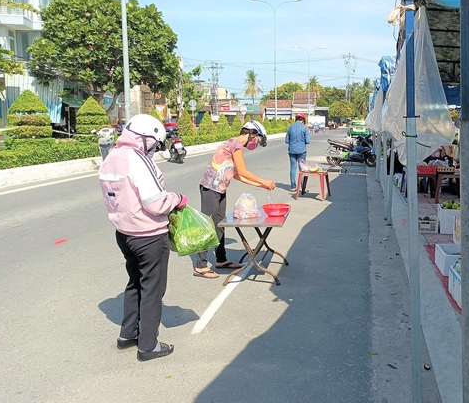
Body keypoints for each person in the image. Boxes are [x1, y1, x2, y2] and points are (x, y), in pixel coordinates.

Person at [98, 114, 186, 362]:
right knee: (152, 289)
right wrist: (178, 199)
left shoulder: (112, 157)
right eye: (155, 144)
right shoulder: (137, 159)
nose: (155, 149)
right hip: (147, 235)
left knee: (135, 281)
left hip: (124, 233)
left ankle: (128, 334)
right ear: (145, 139)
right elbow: (155, 203)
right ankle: (148, 345)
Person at [196, 120, 276, 278]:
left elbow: (238, 175)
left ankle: (221, 259)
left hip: (219, 188)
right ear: (252, 134)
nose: (256, 143)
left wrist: (261, 185)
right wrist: (264, 180)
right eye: (257, 139)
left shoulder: (233, 144)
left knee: (220, 224)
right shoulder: (236, 145)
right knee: (208, 225)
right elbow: (243, 171)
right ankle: (200, 265)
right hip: (210, 188)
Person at [285, 113, 311, 192]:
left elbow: (286, 141)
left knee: (293, 168)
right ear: (303, 120)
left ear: (296, 119)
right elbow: (308, 141)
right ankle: (303, 187)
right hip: (302, 151)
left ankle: (293, 187)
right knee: (302, 169)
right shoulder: (304, 128)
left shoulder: (290, 127)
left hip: (292, 151)